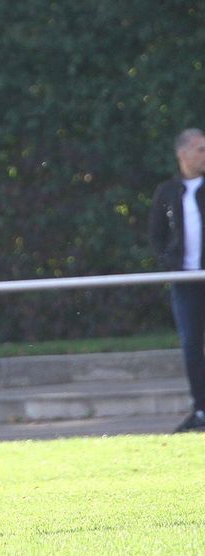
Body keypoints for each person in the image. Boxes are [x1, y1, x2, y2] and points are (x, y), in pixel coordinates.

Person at [149, 128, 205, 432]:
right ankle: (201, 409)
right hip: (186, 283)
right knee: (191, 345)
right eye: (200, 149)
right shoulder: (167, 192)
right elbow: (156, 236)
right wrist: (170, 263)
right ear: (183, 154)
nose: (204, 155)